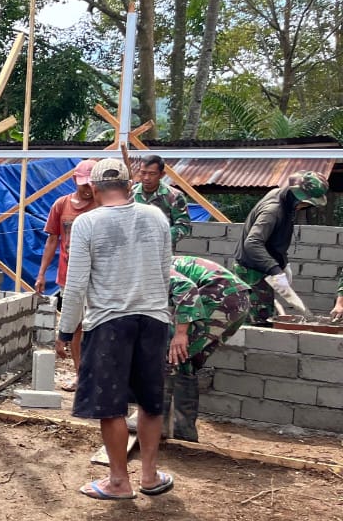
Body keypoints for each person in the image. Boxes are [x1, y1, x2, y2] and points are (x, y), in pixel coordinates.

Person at [57, 158, 174, 501]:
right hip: (153, 320)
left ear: (94, 189)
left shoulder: (88, 223)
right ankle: (149, 476)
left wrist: (66, 331)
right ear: (129, 185)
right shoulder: (157, 217)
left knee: (111, 405)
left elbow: (76, 286)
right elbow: (165, 271)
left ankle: (120, 481)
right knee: (150, 402)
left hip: (109, 323)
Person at [166, 256, 251, 441]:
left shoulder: (150, 265)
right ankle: (182, 431)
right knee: (183, 358)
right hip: (237, 299)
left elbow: (186, 288)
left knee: (169, 356)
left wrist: (180, 333)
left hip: (221, 297)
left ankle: (157, 424)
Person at [230, 170, 327, 325]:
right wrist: (275, 269)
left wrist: (283, 263)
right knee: (256, 322)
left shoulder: (285, 200)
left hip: (262, 268)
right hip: (251, 272)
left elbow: (275, 240)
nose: (304, 207)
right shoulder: (273, 210)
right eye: (305, 203)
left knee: (266, 314)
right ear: (296, 196)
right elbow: (252, 243)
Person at [36, 158, 99, 387]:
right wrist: (41, 274)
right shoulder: (61, 205)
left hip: (98, 278)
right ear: (74, 180)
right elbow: (52, 240)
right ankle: (81, 375)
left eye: (91, 184)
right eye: (83, 184)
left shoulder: (103, 206)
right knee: (76, 327)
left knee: (97, 326)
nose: (87, 189)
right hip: (69, 277)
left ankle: (98, 375)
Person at [132, 154, 192, 249]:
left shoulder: (174, 196)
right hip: (133, 249)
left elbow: (183, 225)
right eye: (143, 173)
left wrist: (159, 238)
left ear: (162, 174)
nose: (146, 177)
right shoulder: (129, 194)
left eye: (152, 174)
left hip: (161, 250)